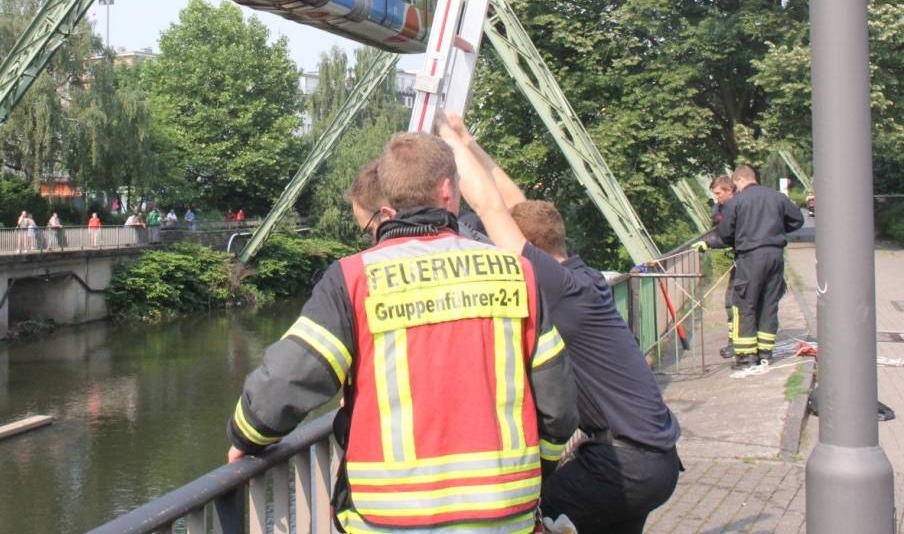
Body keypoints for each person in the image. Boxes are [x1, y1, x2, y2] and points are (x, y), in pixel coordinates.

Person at [226, 131, 578, 534]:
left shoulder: (353, 279)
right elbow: (559, 406)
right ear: (447, 190)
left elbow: (291, 377)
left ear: (389, 198)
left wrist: (246, 435)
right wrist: (539, 467)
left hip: (391, 519)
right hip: (503, 514)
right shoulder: (517, 273)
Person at [436, 113, 682, 533]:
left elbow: (491, 207)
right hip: (652, 458)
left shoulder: (555, 286)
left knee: (519, 516)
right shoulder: (577, 276)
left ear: (527, 247)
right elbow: (515, 206)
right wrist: (470, 143)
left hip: (623, 464)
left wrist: (443, 144)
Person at [715, 165, 805, 369]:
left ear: (738, 181)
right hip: (775, 255)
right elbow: (797, 220)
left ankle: (746, 358)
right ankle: (765, 352)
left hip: (750, 257)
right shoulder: (777, 197)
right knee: (769, 302)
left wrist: (738, 239)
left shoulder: (736, 201)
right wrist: (777, 229)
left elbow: (725, 234)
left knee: (745, 304)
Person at [694, 175, 737, 358]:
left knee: (733, 301)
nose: (717, 198)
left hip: (746, 261)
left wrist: (709, 243)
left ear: (730, 190)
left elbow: (728, 233)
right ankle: (740, 344)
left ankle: (737, 345)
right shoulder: (723, 207)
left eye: (719, 193)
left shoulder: (736, 208)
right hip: (745, 259)